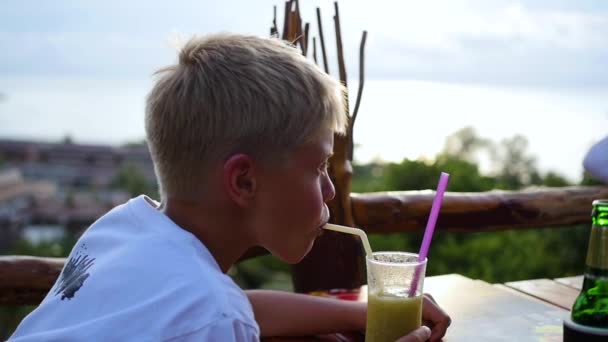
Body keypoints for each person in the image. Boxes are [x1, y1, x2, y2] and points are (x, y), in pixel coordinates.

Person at [10, 33, 450, 341]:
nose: (331, 192)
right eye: (318, 167)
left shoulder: (124, 230)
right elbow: (217, 312)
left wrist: (363, 313)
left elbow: (234, 307)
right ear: (243, 180)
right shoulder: (211, 317)